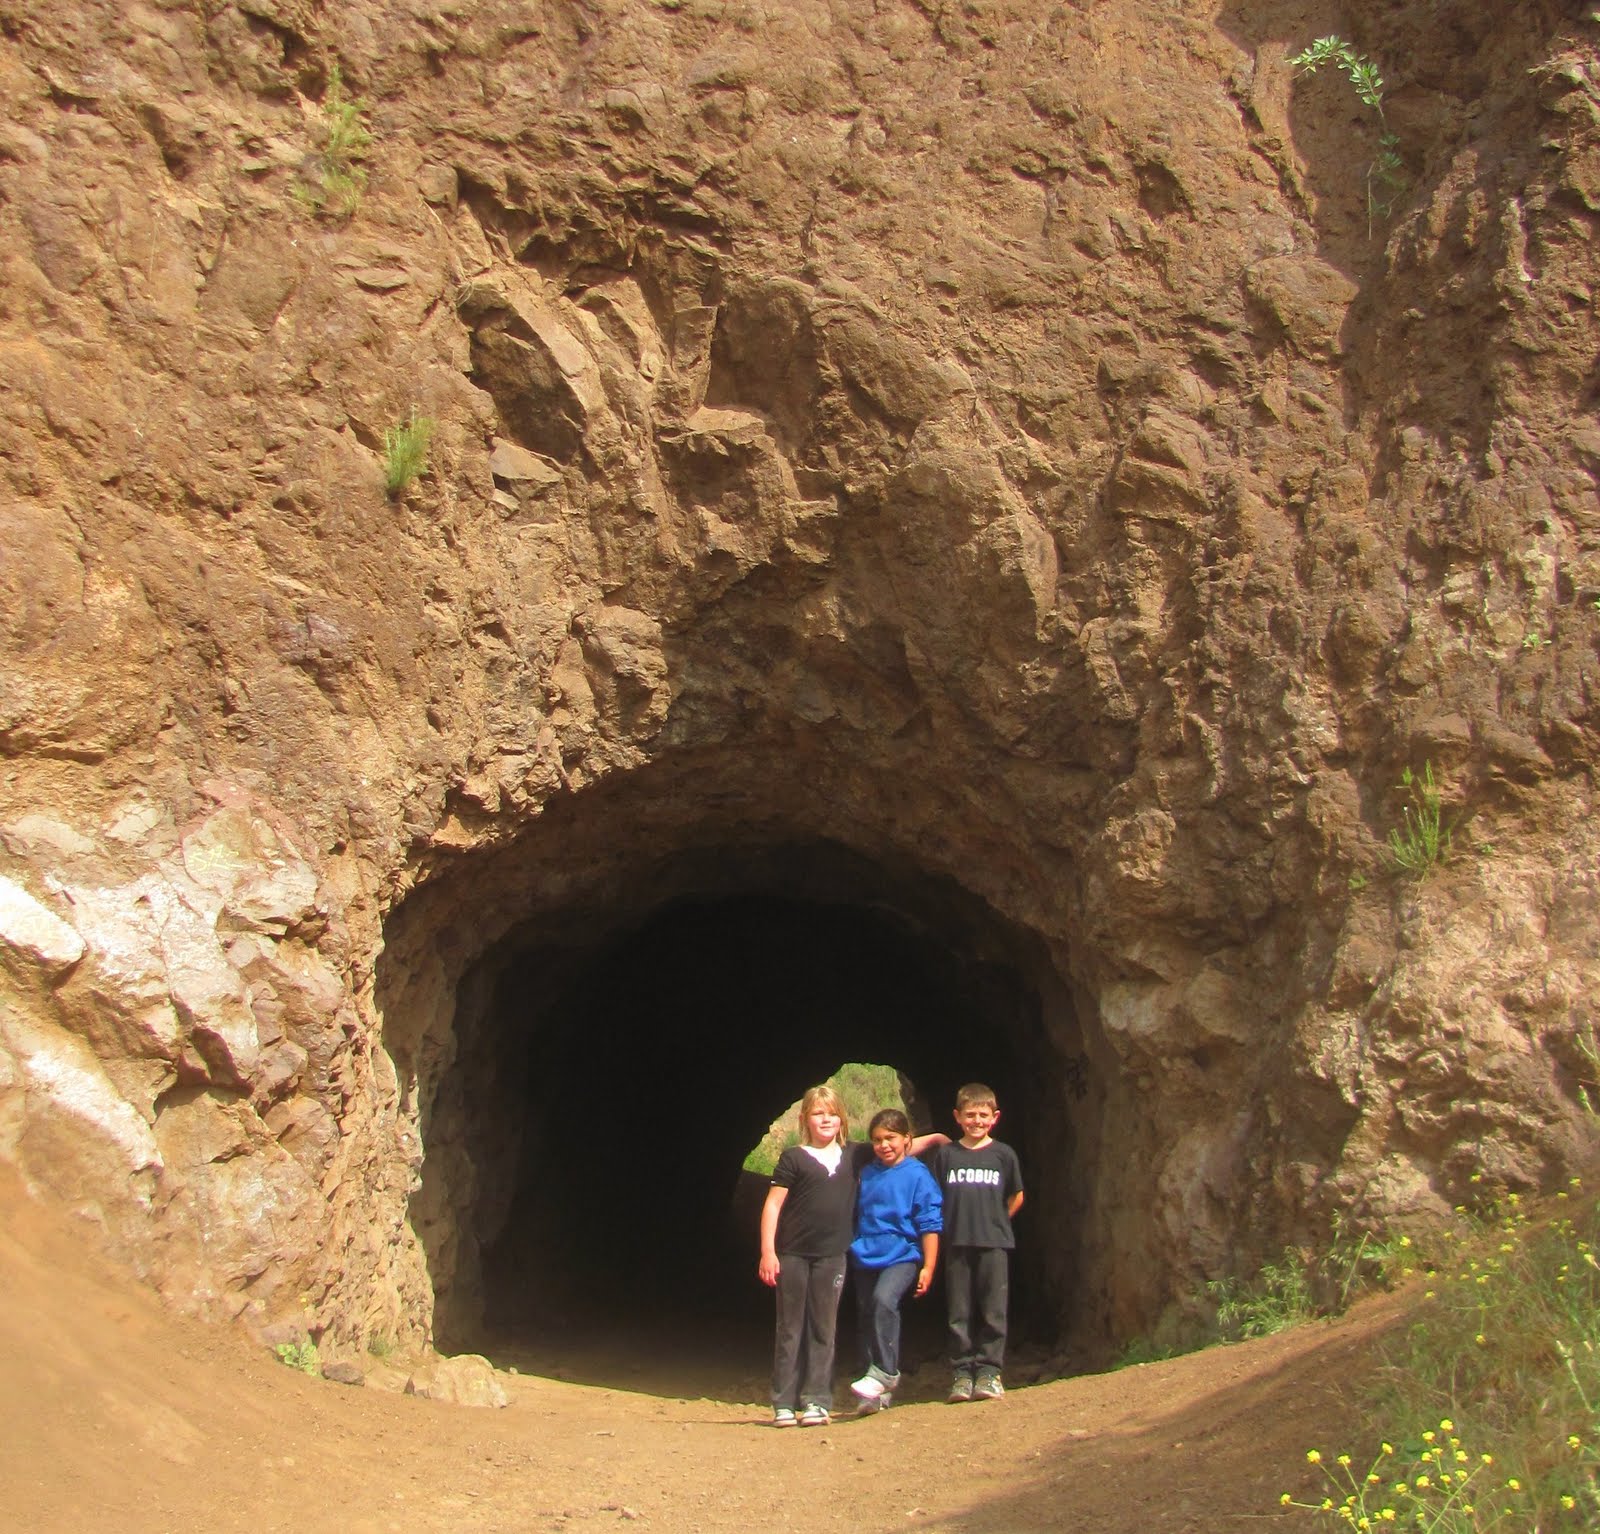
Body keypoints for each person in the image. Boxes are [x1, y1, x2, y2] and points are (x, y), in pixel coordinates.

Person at [757, 1087, 946, 1428]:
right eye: (818, 1113)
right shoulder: (793, 1158)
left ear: (841, 1119)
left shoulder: (854, 1154)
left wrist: (935, 1138)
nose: (825, 1119)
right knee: (790, 1328)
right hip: (794, 1254)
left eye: (832, 1113)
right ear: (805, 1119)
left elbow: (895, 1146)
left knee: (825, 1328)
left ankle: (817, 1401)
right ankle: (784, 1402)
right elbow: (773, 1204)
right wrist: (768, 1251)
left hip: (833, 1256)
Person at [933, 1082, 1025, 1403]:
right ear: (957, 1116)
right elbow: (935, 1196)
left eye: (983, 1115)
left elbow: (1016, 1195)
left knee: (992, 1309)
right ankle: (961, 1374)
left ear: (995, 1117)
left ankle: (989, 1372)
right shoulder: (947, 1155)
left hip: (994, 1242)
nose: (977, 1121)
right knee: (959, 1311)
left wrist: (997, 1220)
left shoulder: (1003, 1155)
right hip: (957, 1242)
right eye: (970, 1115)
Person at [847, 1108, 943, 1414]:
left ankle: (886, 1373)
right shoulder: (866, 1171)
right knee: (866, 1317)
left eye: (890, 1138)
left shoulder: (918, 1175)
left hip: (903, 1255)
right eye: (877, 1140)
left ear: (906, 1139)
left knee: (883, 1301)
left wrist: (929, 1266)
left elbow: (930, 1223)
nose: (884, 1145)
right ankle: (873, 1393)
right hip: (866, 1254)